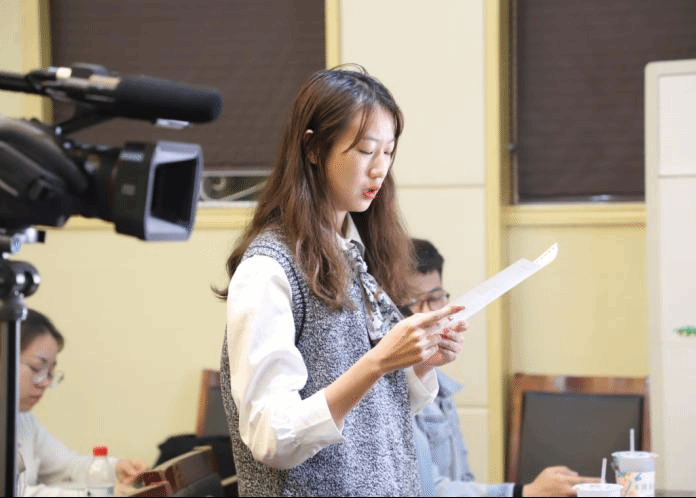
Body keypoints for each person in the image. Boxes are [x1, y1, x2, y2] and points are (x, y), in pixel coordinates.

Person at [215, 65, 469, 496]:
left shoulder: (356, 254)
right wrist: (377, 362)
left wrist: (421, 359)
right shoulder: (267, 269)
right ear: (314, 148)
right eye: (366, 150)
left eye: (388, 152)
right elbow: (271, 437)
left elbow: (380, 412)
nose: (380, 169)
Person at [402, 238, 600, 497]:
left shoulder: (441, 387)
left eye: (436, 298)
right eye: (413, 302)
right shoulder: (391, 390)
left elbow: (463, 478)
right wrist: (523, 492)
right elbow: (426, 489)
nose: (429, 314)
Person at [16, 308, 147, 497]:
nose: (45, 383)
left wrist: (115, 468)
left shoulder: (24, 420)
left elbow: (68, 467)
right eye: (37, 368)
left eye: (50, 373)